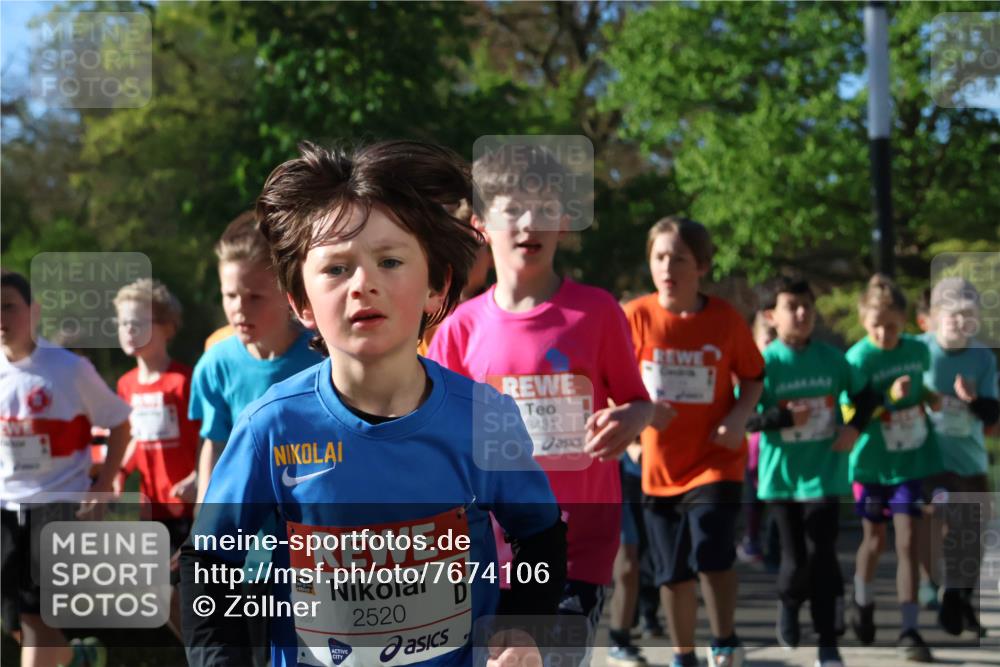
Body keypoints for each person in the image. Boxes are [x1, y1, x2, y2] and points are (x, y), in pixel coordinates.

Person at [181, 140, 567, 667]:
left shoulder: (483, 419)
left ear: (436, 287)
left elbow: (541, 538)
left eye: (389, 261)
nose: (364, 284)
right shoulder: (270, 428)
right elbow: (209, 563)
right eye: (336, 269)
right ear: (301, 303)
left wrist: (522, 631)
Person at [427, 143, 654, 663]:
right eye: (514, 209)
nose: (530, 223)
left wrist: (630, 419)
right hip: (489, 553)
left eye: (545, 208)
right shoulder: (458, 330)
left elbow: (639, 403)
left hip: (580, 548)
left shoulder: (597, 313)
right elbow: (437, 436)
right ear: (481, 222)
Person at [625, 216, 764, 667]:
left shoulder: (724, 319)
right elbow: (611, 378)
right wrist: (630, 436)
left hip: (715, 459)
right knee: (671, 569)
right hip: (659, 465)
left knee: (711, 550)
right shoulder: (636, 316)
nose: (667, 268)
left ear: (701, 266)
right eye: (659, 257)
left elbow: (754, 376)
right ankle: (684, 655)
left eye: (679, 259)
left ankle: (723, 640)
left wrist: (738, 417)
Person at [1, 270, 132, 667]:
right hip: (6, 507)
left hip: (60, 503)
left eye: (9, 307)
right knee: (16, 617)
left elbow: (120, 423)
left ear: (34, 312)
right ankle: (79, 656)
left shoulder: (68, 368)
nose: (1, 318)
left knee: (36, 613)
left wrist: (103, 485)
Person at [747, 277, 878, 667]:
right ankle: (788, 603)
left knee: (823, 555)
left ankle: (827, 640)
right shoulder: (763, 362)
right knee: (793, 562)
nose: (802, 314)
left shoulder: (832, 359)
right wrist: (784, 416)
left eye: (807, 306)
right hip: (782, 478)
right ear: (772, 315)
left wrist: (854, 427)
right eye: (792, 306)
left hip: (824, 473)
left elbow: (866, 394)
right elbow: (747, 419)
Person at [845, 274, 943, 663]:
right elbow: (850, 413)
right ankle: (863, 600)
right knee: (874, 540)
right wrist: (887, 399)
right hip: (870, 463)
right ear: (863, 322)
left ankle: (909, 628)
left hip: (909, 460)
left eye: (892, 326)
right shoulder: (857, 360)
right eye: (876, 327)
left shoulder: (917, 352)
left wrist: (931, 398)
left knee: (907, 541)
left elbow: (921, 389)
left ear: (904, 321)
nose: (884, 334)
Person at [114, 278, 200, 639]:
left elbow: (206, 438)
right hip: (152, 508)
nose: (128, 331)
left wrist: (197, 477)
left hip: (188, 506)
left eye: (138, 323)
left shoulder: (183, 381)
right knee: (156, 591)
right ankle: (198, 654)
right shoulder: (126, 384)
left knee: (197, 593)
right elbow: (135, 436)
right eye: (122, 323)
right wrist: (118, 471)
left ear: (167, 328)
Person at [920, 277, 998, 637]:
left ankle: (959, 597)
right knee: (940, 519)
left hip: (970, 458)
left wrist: (972, 400)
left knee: (975, 532)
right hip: (928, 458)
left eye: (967, 314)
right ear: (934, 317)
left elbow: (994, 418)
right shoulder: (917, 351)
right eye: (951, 314)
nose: (958, 322)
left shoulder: (982, 357)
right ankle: (937, 587)